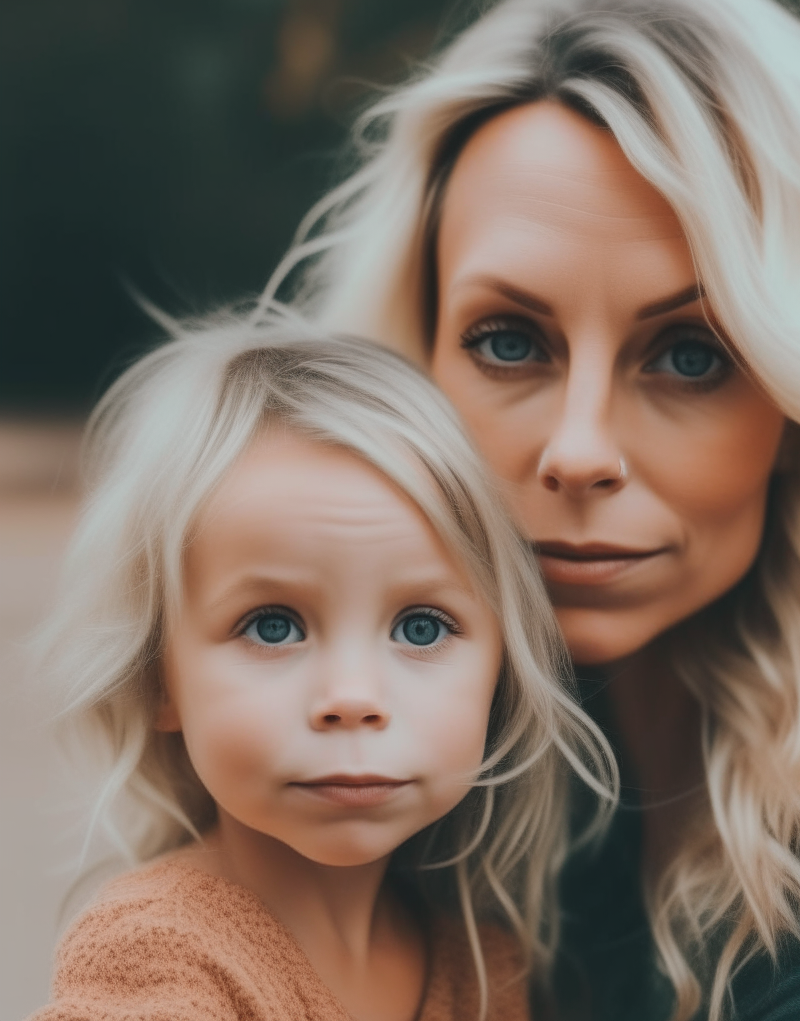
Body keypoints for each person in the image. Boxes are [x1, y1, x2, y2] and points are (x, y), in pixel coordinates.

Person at [264, 0, 800, 1018]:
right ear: (417, 363)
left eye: (689, 355)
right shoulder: (499, 782)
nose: (580, 451)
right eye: (507, 341)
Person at [29, 324, 616, 1021]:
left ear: (501, 670)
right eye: (272, 626)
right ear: (160, 678)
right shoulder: (155, 958)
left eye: (420, 628)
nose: (353, 698)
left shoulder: (484, 967)